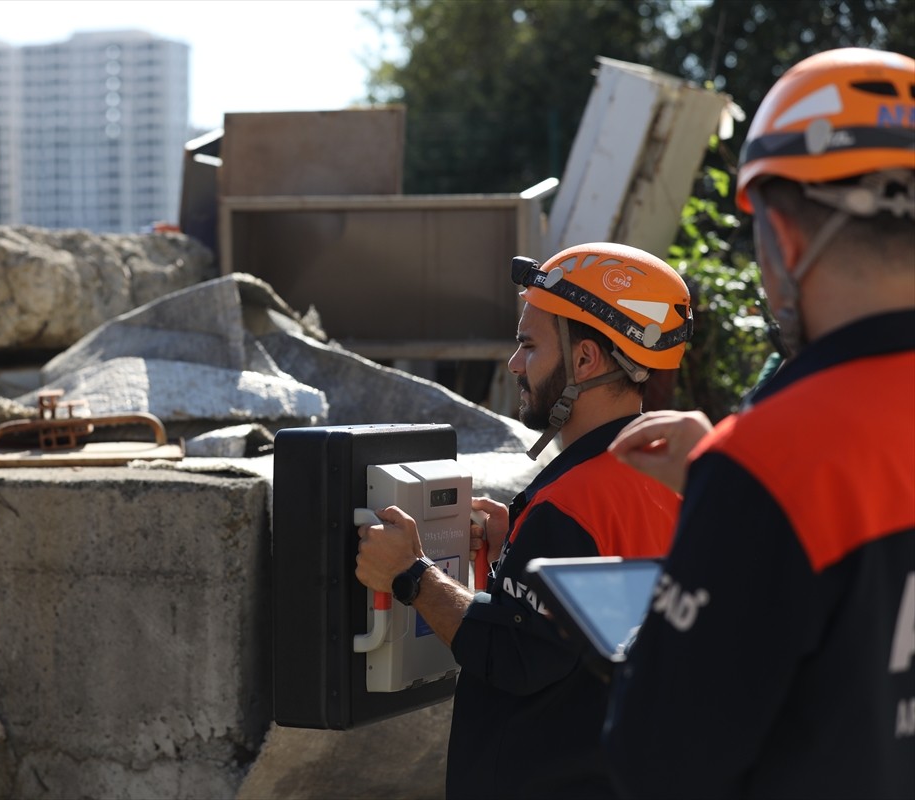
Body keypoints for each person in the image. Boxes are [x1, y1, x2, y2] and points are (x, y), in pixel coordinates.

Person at [603, 47, 915, 799]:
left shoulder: (773, 462)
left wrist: (739, 493)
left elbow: (657, 764)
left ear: (786, 239)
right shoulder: (769, 466)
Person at [355, 241, 694, 798]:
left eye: (528, 345)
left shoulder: (569, 504)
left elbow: (514, 655)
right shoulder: (670, 475)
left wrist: (412, 575)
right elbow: (595, 621)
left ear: (584, 360)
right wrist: (519, 548)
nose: (515, 364)